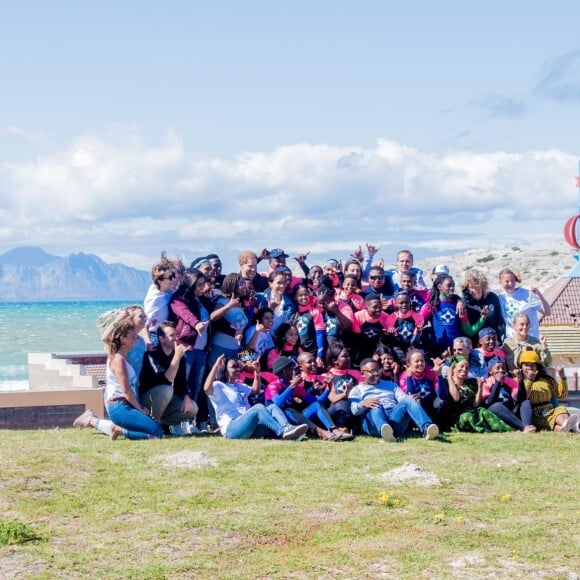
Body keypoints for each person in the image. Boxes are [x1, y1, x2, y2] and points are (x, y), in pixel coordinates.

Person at [203, 355, 308, 440]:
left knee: (271, 407)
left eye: (237, 366)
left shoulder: (238, 385)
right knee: (258, 408)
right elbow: (206, 388)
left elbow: (255, 391)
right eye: (233, 367)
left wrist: (257, 373)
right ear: (225, 370)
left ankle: (287, 428)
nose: (238, 369)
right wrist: (216, 365)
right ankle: (282, 432)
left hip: (247, 427)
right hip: (232, 428)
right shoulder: (218, 385)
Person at [349, 358, 439, 441]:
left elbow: (402, 397)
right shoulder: (357, 389)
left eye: (378, 370)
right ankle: (384, 430)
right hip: (374, 422)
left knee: (408, 399)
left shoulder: (391, 385)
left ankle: (427, 428)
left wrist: (413, 401)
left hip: (393, 417)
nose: (376, 373)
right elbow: (354, 410)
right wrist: (363, 404)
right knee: (375, 404)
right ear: (362, 373)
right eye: (372, 371)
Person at [105, 319, 164, 440]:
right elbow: (126, 390)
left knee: (156, 430)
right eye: (132, 337)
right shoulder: (118, 359)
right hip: (119, 406)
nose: (135, 339)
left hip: (126, 405)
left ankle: (122, 430)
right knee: (156, 434)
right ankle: (118, 430)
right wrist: (140, 409)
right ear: (122, 339)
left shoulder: (124, 358)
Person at [139, 321, 198, 432]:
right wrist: (176, 357)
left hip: (166, 398)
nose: (176, 338)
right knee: (166, 389)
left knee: (193, 408)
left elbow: (181, 381)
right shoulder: (152, 355)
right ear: (162, 339)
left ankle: (165, 424)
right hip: (148, 400)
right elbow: (167, 379)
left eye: (176, 335)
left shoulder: (179, 356)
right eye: (172, 335)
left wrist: (186, 397)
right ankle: (152, 426)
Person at [437, 357, 511, 433]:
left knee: (482, 411)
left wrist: (480, 387)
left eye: (467, 367)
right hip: (458, 417)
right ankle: (484, 430)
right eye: (461, 366)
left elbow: (475, 405)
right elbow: (456, 398)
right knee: (468, 417)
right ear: (454, 368)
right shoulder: (448, 382)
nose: (464, 369)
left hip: (471, 411)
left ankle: (506, 429)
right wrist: (449, 377)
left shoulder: (469, 384)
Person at [420, 275, 486, 358]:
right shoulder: (431, 306)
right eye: (449, 285)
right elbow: (418, 323)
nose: (452, 288)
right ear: (440, 287)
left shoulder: (459, 306)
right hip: (439, 351)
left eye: (453, 286)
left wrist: (482, 319)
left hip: (458, 351)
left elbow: (469, 331)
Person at [516, 350, 579, 432]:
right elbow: (522, 397)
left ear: (537, 367)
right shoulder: (519, 381)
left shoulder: (546, 380)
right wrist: (530, 379)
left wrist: (562, 377)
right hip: (536, 414)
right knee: (550, 422)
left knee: (560, 410)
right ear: (521, 367)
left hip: (549, 409)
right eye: (526, 365)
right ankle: (572, 427)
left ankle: (567, 425)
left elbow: (561, 395)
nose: (529, 368)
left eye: (532, 365)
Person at [482, 357, 536, 432]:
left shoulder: (509, 382)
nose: (501, 370)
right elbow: (489, 402)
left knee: (526, 402)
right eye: (497, 368)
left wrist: (520, 381)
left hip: (509, 414)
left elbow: (520, 399)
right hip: (494, 412)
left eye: (503, 368)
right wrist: (497, 382)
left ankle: (527, 427)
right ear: (490, 371)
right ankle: (524, 428)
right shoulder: (486, 383)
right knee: (497, 405)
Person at [497, 268, 551, 339]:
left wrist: (539, 294)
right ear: (501, 282)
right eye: (507, 281)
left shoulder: (527, 293)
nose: (510, 284)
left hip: (531, 339)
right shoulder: (499, 298)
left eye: (512, 281)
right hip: (512, 342)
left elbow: (547, 312)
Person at [461, 269, 505, 341]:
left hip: (494, 342)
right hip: (475, 345)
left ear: (483, 286)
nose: (474, 290)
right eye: (471, 287)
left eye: (477, 287)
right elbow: (467, 331)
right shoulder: (464, 303)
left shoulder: (492, 297)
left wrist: (498, 338)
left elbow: (500, 321)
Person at [143, 256, 179, 341]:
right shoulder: (155, 299)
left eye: (173, 275)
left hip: (166, 332)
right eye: (170, 277)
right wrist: (148, 341)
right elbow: (145, 323)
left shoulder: (167, 290)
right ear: (160, 281)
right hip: (155, 335)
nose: (173, 279)